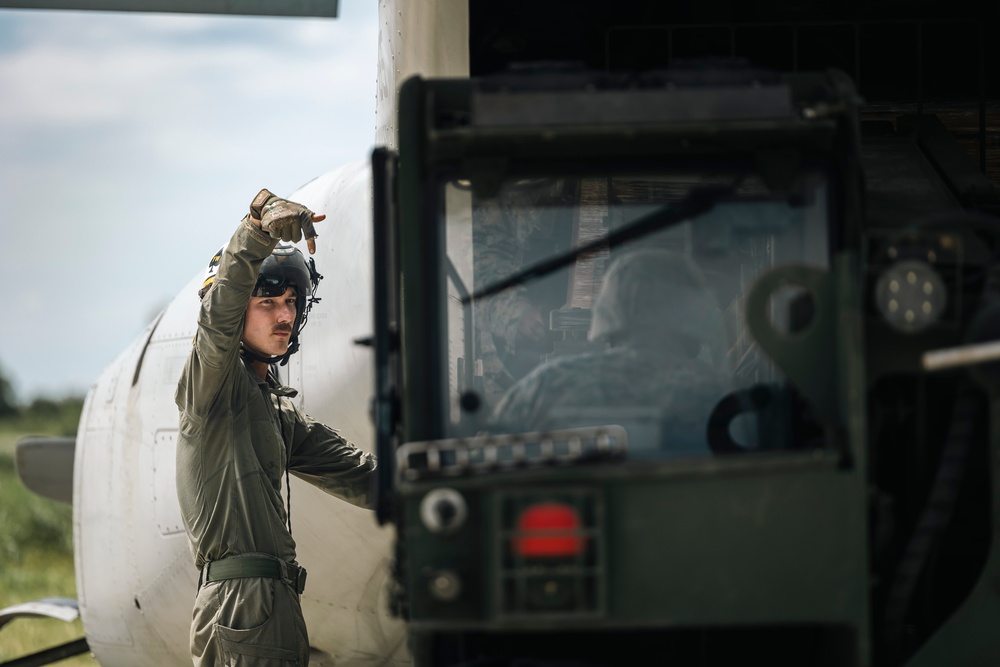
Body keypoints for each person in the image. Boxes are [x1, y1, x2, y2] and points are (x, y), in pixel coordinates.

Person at [174, 188, 377, 666]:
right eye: (267, 301)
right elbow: (217, 320)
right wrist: (258, 229)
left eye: (292, 301)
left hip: (272, 601)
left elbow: (365, 477)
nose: (285, 315)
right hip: (242, 604)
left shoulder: (273, 412)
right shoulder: (213, 388)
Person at [490, 247, 733, 457]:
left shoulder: (544, 385)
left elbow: (489, 460)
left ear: (609, 314)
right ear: (696, 316)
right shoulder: (720, 393)